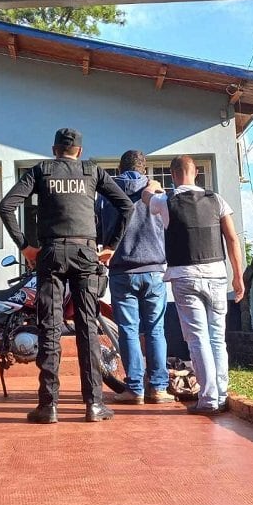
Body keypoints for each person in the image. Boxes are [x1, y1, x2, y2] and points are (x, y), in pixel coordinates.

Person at [0, 128, 134, 423]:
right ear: (80, 152)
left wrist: (25, 247)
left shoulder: (41, 170)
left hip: (51, 254)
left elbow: (6, 206)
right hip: (86, 254)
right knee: (87, 327)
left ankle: (48, 406)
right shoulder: (92, 171)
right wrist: (110, 245)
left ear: (54, 149)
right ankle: (94, 405)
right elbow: (126, 205)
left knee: (49, 326)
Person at [143, 155, 244, 415]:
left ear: (173, 174)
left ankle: (209, 399)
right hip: (217, 274)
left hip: (184, 277)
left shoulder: (165, 202)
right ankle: (221, 394)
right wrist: (238, 276)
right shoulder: (216, 199)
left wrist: (154, 184)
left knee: (197, 339)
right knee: (216, 338)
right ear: (196, 172)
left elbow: (145, 197)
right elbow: (232, 239)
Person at [96, 150, 171, 405]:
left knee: (128, 330)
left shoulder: (106, 194)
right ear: (144, 168)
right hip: (154, 271)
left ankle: (135, 388)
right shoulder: (156, 192)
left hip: (121, 271)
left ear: (119, 168)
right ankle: (159, 388)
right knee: (155, 330)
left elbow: (98, 231)